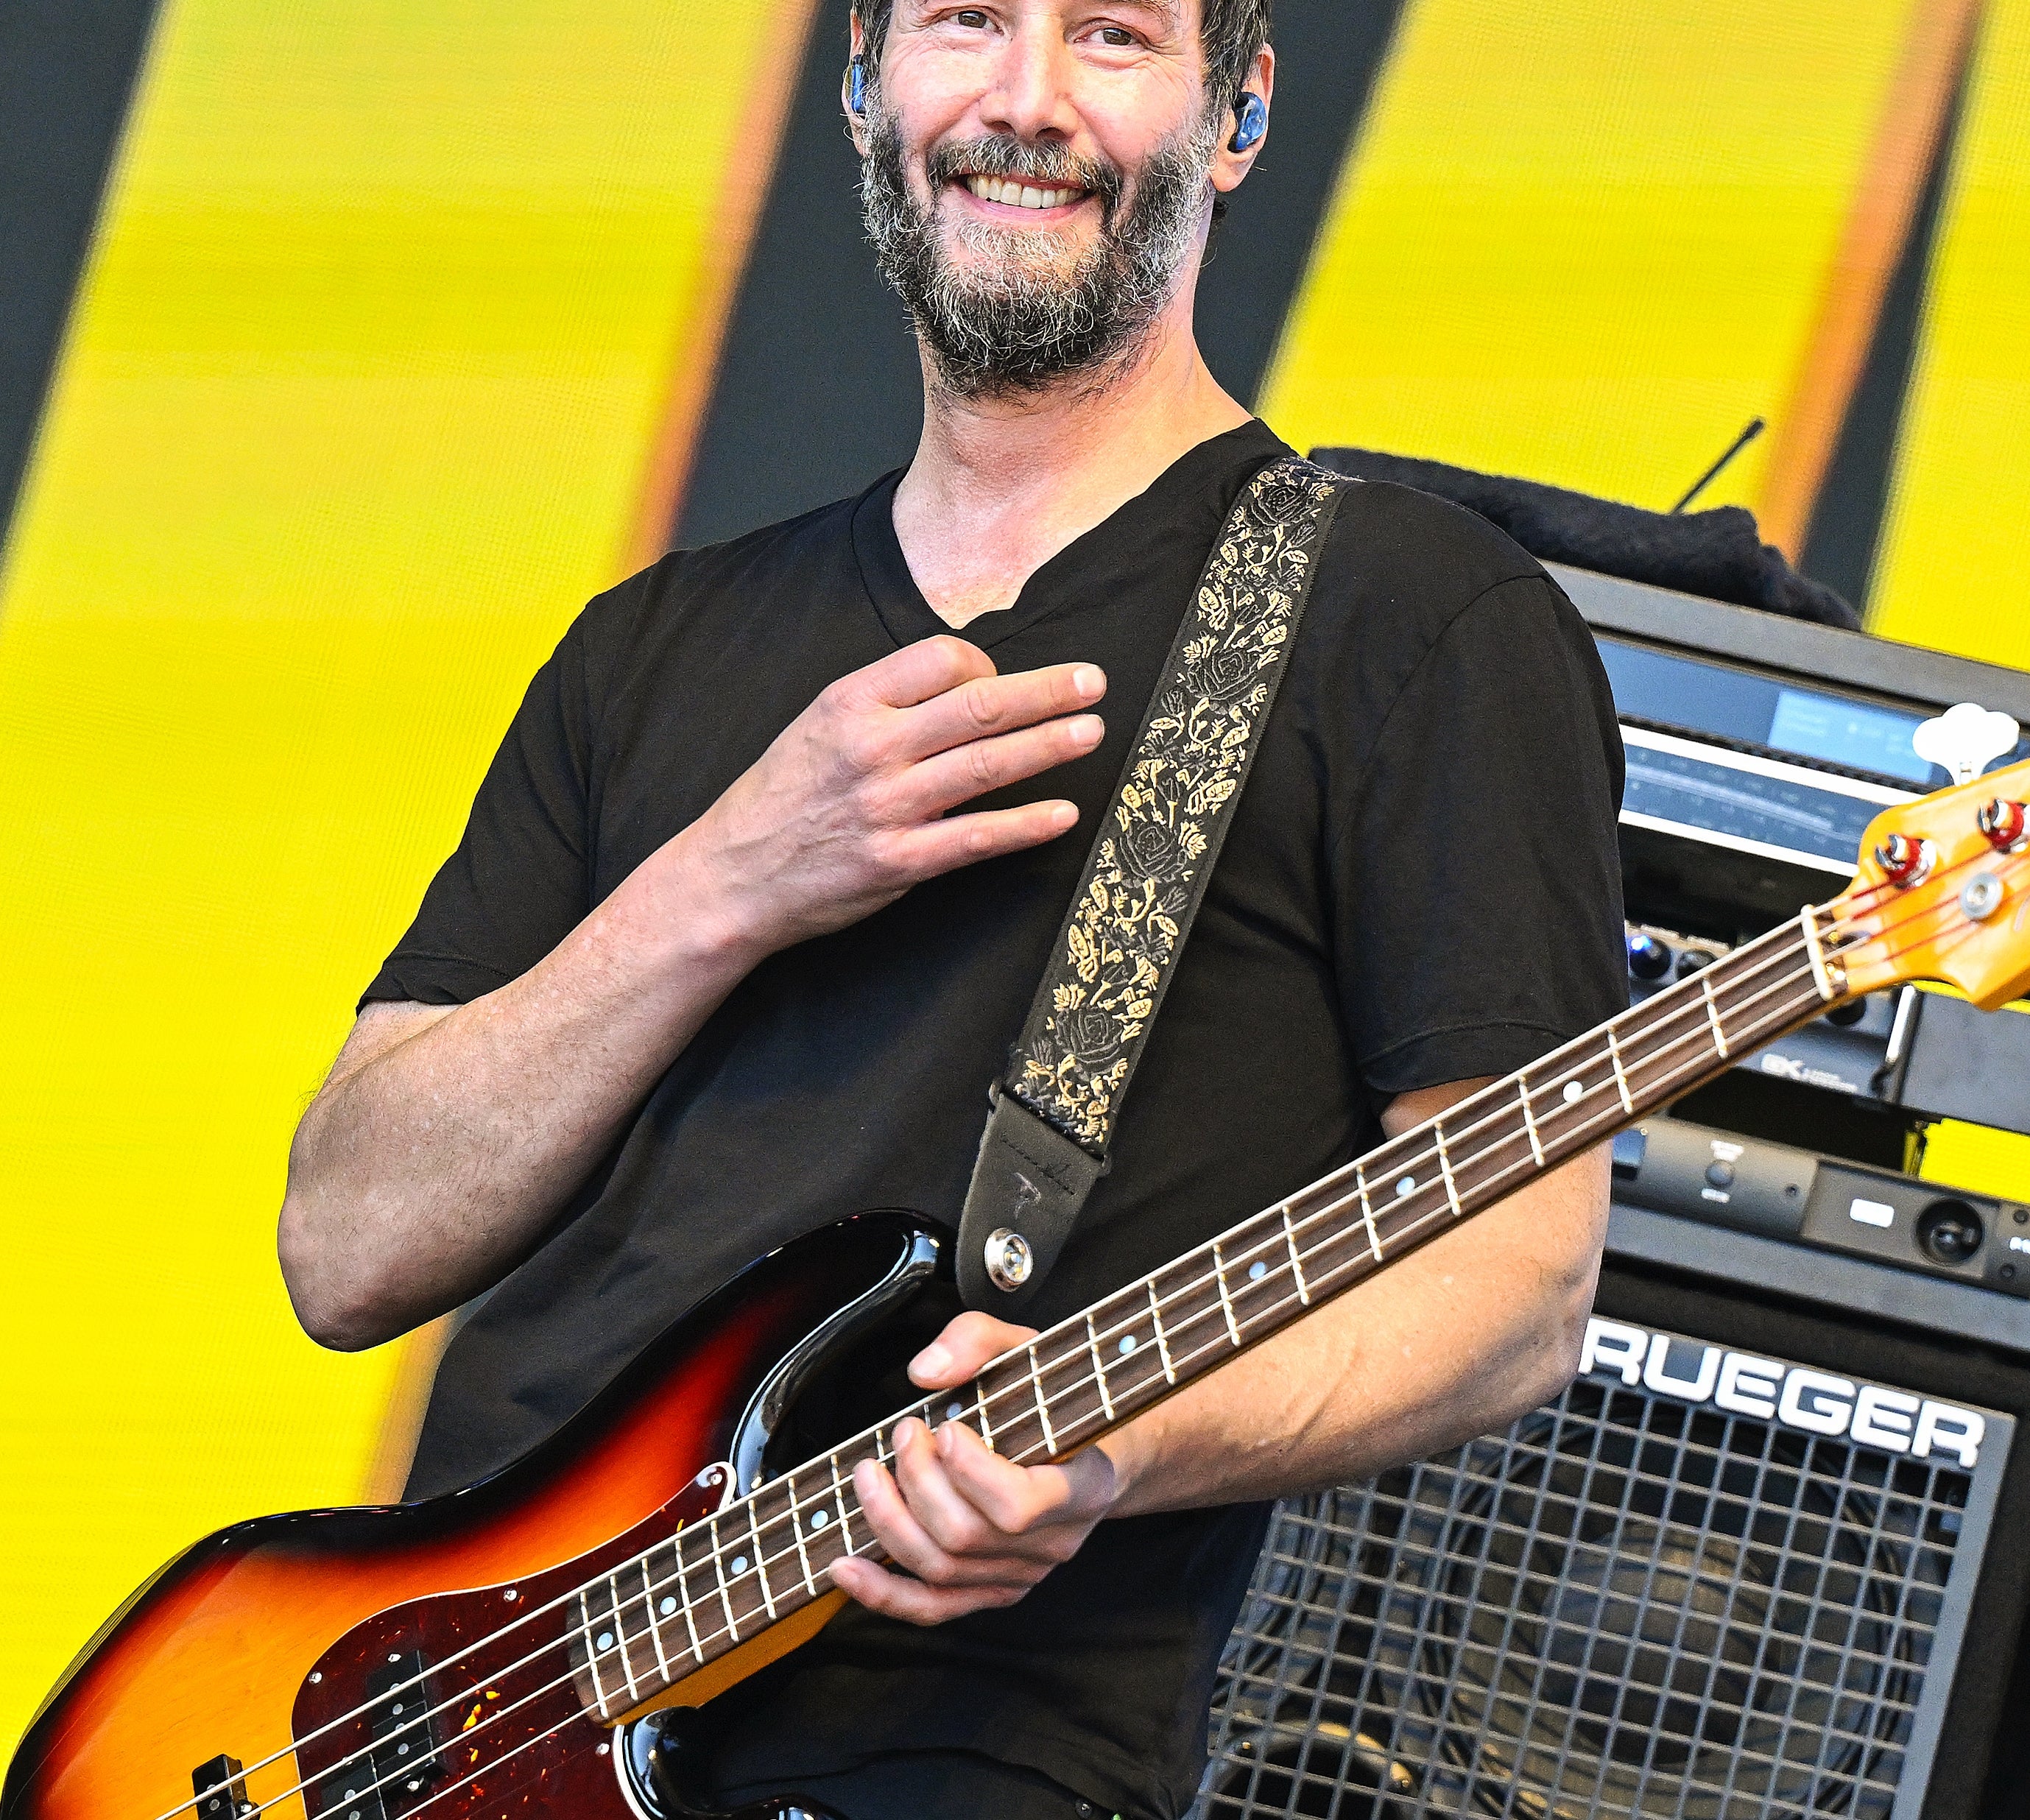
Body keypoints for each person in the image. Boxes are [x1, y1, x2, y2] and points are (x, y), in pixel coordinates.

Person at [278, 1, 1627, 1815]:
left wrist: (1113, 1451)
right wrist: (732, 874)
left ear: (1235, 118)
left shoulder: (1405, 620)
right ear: (861, 85)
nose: (1024, 102)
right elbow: (347, 1244)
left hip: (956, 1752)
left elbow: (1514, 1281)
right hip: (425, 1720)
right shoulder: (656, 647)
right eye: (968, 22)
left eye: (1114, 37)